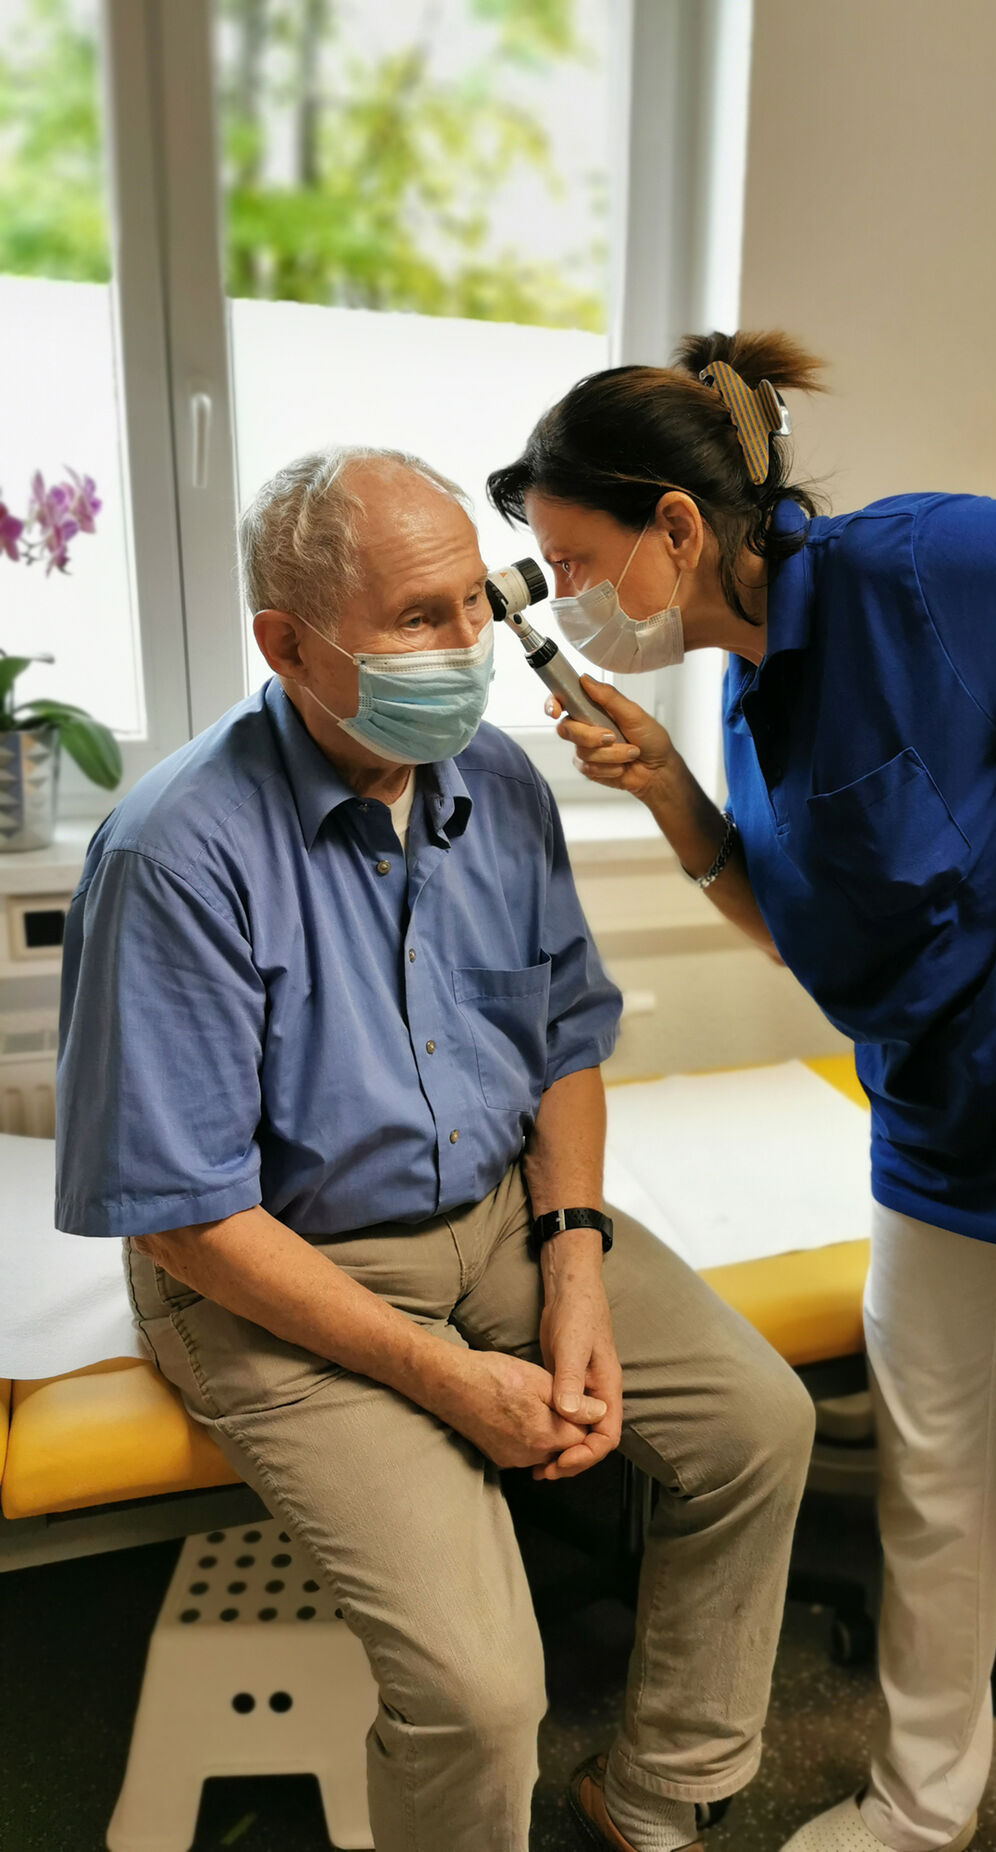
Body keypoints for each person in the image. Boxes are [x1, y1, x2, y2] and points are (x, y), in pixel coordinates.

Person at [487, 333, 996, 1852]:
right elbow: (811, 933)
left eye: (582, 560)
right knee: (935, 1492)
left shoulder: (923, 569)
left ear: (679, 524)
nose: (573, 602)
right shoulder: (742, 689)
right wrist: (671, 790)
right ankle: (920, 1806)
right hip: (932, 1136)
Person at [54, 446, 815, 1852]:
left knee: (758, 1430)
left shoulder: (498, 788)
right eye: (418, 618)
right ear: (288, 645)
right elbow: (183, 1218)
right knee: (476, 1692)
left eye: (477, 601)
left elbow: (565, 1045)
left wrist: (572, 1272)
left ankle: (653, 1800)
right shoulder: (174, 855)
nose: (468, 645)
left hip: (495, 1223)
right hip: (271, 1275)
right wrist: (453, 1381)